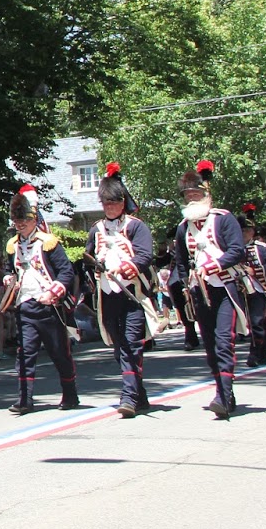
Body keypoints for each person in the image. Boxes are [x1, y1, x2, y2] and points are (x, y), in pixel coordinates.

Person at [167, 161, 246, 418]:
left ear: (206, 195)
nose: (191, 199)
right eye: (188, 196)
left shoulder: (224, 219)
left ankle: (223, 395)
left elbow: (237, 250)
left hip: (224, 288)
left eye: (196, 195)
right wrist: (184, 286)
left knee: (224, 342)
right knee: (211, 345)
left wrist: (214, 265)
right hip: (199, 292)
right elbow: (180, 262)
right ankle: (224, 392)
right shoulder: (182, 228)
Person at [85, 164, 155, 418]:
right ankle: (140, 394)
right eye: (106, 203)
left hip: (132, 294)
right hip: (107, 296)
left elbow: (145, 255)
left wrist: (128, 267)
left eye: (113, 202)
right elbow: (88, 256)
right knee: (119, 347)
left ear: (122, 202)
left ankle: (128, 398)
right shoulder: (96, 229)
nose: (110, 207)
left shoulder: (136, 227)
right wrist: (94, 267)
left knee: (132, 346)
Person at [2, 192, 78, 415]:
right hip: (25, 305)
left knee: (59, 353)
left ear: (34, 220)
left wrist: (53, 293)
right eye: (17, 222)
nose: (20, 225)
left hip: (48, 306)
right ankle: (25, 399)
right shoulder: (12, 246)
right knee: (25, 354)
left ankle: (70, 393)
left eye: (24, 221)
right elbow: (10, 270)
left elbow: (66, 272)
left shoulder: (49, 243)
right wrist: (8, 277)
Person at [240, 214, 266, 368]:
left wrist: (256, 270)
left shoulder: (261, 249)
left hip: (256, 290)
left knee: (257, 322)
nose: (244, 233)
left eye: (247, 230)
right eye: (241, 230)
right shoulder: (230, 250)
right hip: (236, 291)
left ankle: (256, 352)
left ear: (253, 232)